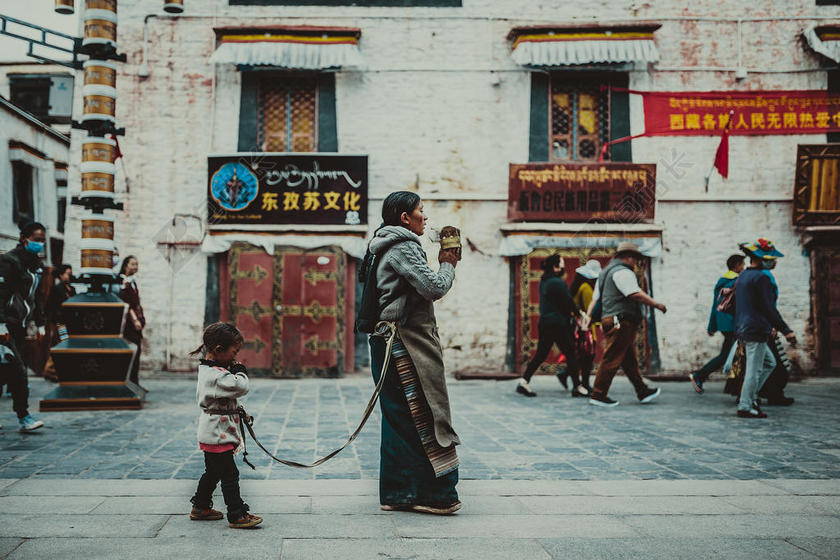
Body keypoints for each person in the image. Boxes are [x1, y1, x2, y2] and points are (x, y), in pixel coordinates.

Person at [365, 191, 461, 515]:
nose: (426, 216)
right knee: (426, 414)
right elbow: (433, 287)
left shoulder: (381, 244)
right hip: (403, 343)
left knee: (399, 419)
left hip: (385, 341)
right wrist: (448, 262)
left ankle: (398, 493)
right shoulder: (403, 245)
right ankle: (436, 494)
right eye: (421, 210)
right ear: (405, 218)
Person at [188, 322, 262, 528]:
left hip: (213, 432)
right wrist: (240, 371)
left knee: (213, 472)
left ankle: (201, 507)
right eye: (234, 352)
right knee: (230, 474)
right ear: (219, 350)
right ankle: (237, 514)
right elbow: (240, 386)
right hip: (217, 434)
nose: (235, 357)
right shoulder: (216, 376)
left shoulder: (211, 370)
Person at [585, 242, 666, 407]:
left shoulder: (604, 273)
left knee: (628, 360)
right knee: (611, 358)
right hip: (621, 321)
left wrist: (589, 317)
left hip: (610, 320)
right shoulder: (623, 272)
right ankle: (598, 394)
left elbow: (595, 299)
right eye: (635, 259)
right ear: (628, 257)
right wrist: (656, 304)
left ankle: (642, 391)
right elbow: (635, 293)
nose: (635, 263)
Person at [733, 238, 796, 419]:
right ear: (760, 259)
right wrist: (786, 330)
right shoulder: (761, 278)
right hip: (756, 329)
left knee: (769, 363)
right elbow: (768, 308)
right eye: (771, 258)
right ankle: (745, 405)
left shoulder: (743, 275)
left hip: (744, 328)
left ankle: (750, 397)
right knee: (754, 371)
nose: (774, 262)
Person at [516, 254, 589, 398]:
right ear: (555, 267)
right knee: (570, 353)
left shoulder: (544, 281)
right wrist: (580, 313)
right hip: (558, 323)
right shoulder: (557, 282)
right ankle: (577, 387)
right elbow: (568, 301)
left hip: (545, 322)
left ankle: (523, 382)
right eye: (562, 265)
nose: (563, 268)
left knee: (541, 354)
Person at [0, 221, 47, 432]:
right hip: (6, 324)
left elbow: (37, 297)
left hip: (20, 325)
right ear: (24, 238)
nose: (40, 243)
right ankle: (24, 416)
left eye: (43, 240)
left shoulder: (36, 266)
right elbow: (1, 294)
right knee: (19, 371)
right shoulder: (9, 261)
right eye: (37, 239)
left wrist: (40, 323)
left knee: (3, 371)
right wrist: (1, 324)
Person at [689, 254, 744, 393]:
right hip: (733, 323)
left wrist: (712, 326)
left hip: (724, 323)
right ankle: (699, 375)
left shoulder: (722, 281)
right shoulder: (737, 281)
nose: (744, 267)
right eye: (743, 264)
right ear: (737, 265)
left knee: (732, 354)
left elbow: (715, 304)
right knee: (727, 355)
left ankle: (733, 385)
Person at [570, 259, 601, 392]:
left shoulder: (578, 286)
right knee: (588, 356)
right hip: (585, 328)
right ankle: (585, 383)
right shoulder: (586, 288)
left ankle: (569, 376)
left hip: (577, 327)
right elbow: (590, 311)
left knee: (581, 356)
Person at [43, 264, 76, 380]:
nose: (69, 276)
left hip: (70, 323)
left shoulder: (72, 289)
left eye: (70, 274)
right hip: (60, 323)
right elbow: (49, 306)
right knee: (63, 344)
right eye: (67, 274)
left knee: (66, 345)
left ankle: (58, 370)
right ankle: (50, 370)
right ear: (61, 275)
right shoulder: (57, 289)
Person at [118, 256, 145, 386]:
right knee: (130, 352)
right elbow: (126, 304)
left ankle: (134, 382)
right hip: (127, 324)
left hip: (136, 321)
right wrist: (135, 320)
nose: (135, 267)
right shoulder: (121, 282)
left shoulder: (133, 282)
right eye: (132, 264)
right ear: (125, 266)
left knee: (137, 352)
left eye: (136, 264)